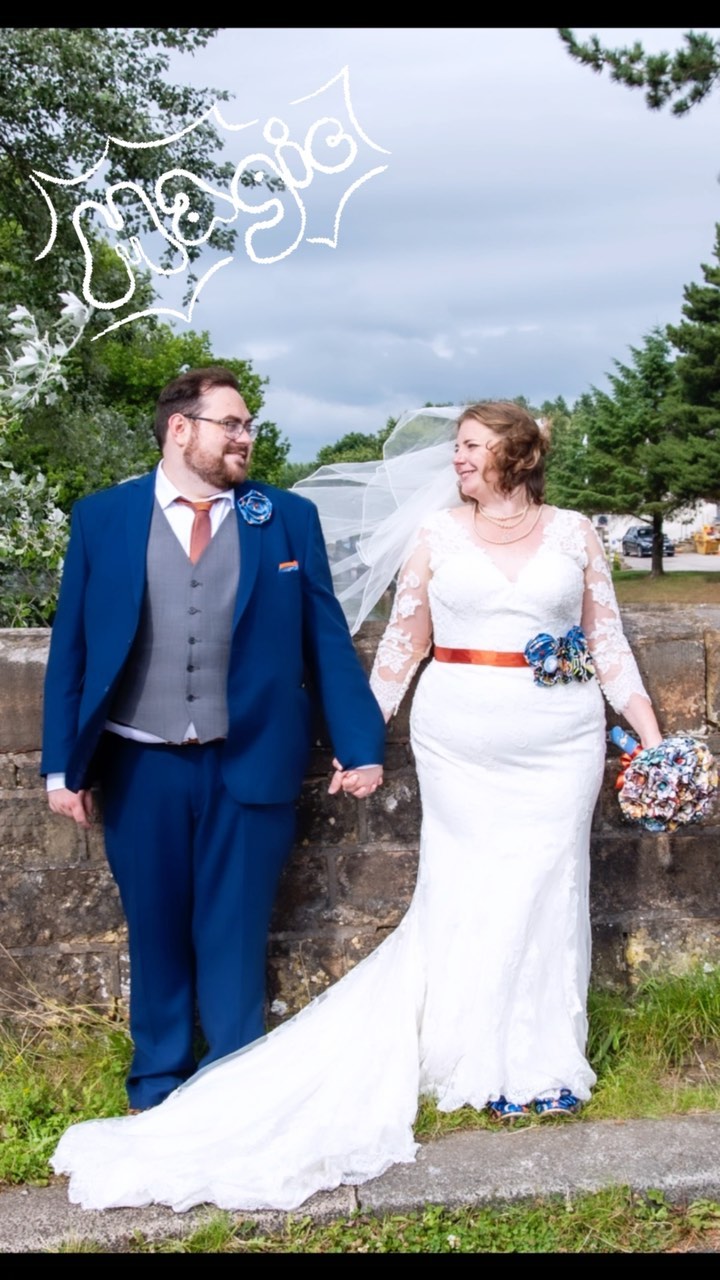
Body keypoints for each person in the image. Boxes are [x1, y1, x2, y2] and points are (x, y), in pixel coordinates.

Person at [51, 400, 663, 1211]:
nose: (458, 460)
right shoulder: (438, 534)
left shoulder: (575, 532)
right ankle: (458, 1051)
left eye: (473, 447)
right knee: (467, 887)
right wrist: (360, 739)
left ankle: (539, 1058)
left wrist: (652, 741)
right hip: (461, 738)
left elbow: (608, 641)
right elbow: (399, 647)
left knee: (552, 885)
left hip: (561, 736)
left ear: (516, 455)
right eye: (457, 446)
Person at [41, 366, 385, 1113]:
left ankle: (235, 1092)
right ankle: (157, 1086)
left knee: (234, 938)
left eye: (249, 425)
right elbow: (71, 648)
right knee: (156, 932)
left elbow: (324, 638)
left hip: (251, 758)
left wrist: (360, 744)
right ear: (180, 428)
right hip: (138, 764)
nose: (246, 438)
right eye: (232, 424)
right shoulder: (103, 517)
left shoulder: (284, 518)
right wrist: (58, 767)